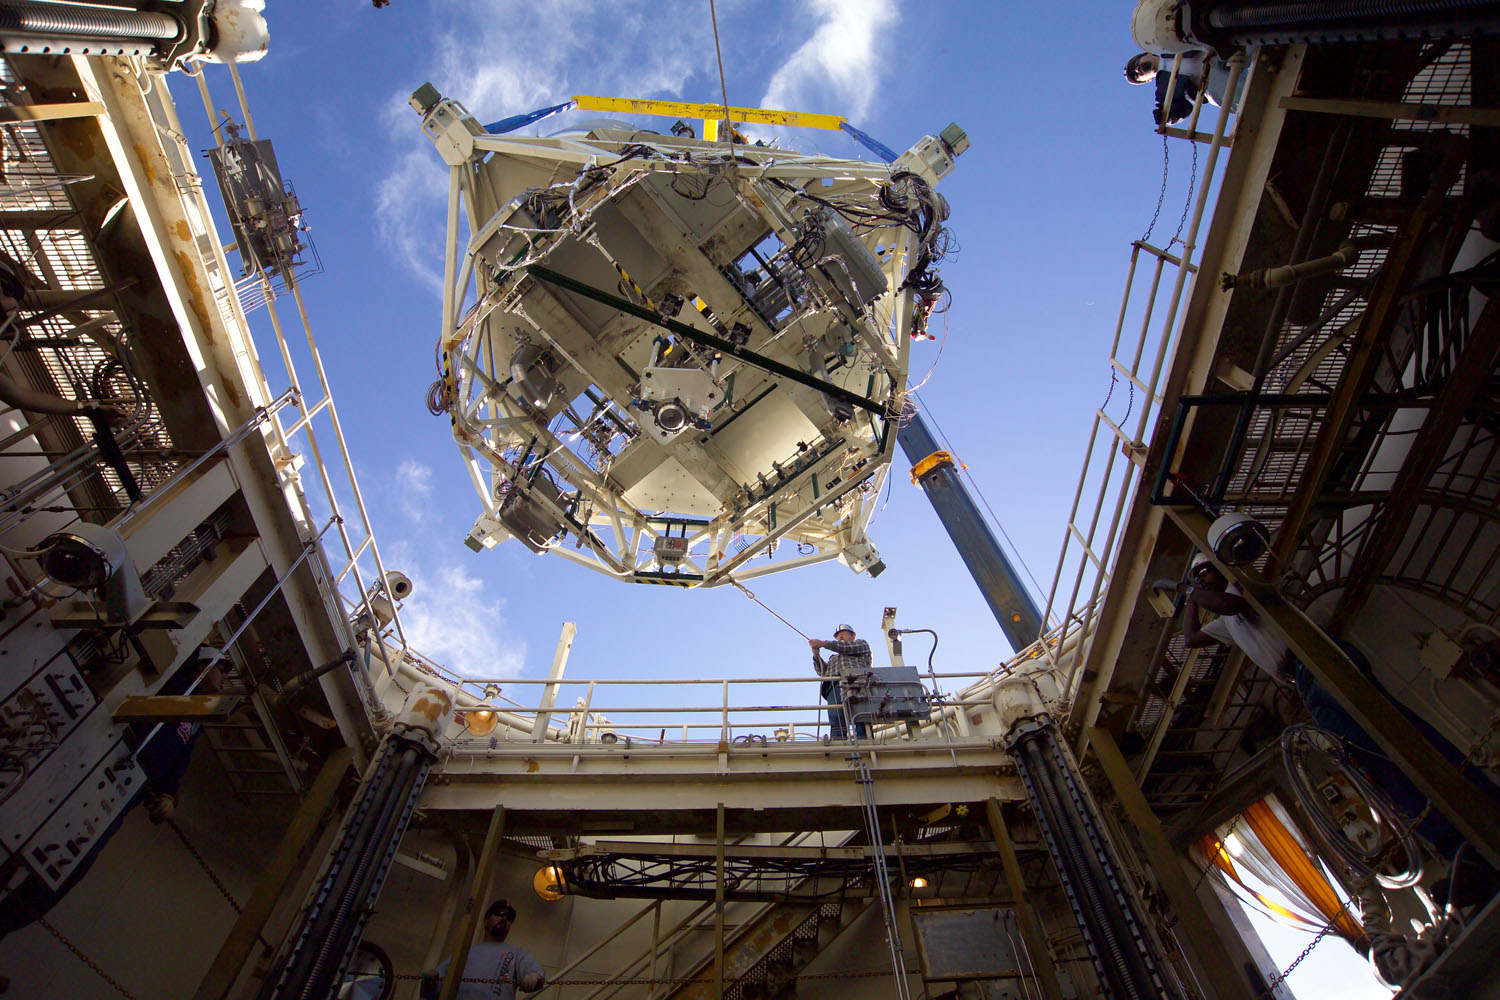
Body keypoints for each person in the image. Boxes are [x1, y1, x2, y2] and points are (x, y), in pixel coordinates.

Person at [1171, 553, 1499, 867]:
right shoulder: (1227, 624)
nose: (1201, 579)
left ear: (1221, 568)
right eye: (1196, 575)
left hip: (1316, 660)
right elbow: (1191, 638)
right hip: (1302, 683)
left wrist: (1188, 589)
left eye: (1205, 571)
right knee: (1376, 760)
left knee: (1398, 733)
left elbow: (1226, 604)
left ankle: (1481, 804)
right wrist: (1188, 597)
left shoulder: (1241, 586)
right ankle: (1452, 844)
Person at [421, 899, 546, 1000]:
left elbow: (536, 973)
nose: (504, 919)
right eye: (498, 914)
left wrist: (534, 978)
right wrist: (429, 983)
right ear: (486, 921)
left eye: (508, 918)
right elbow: (431, 991)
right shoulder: (464, 953)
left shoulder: (517, 953)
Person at [1125, 51, 1243, 125]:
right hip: (1214, 87)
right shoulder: (1165, 90)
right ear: (1147, 80)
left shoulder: (1170, 44)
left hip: (1222, 54)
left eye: (1136, 63)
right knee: (1243, 98)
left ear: (1148, 54)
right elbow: (1179, 110)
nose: (1137, 70)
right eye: (1136, 76)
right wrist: (1167, 116)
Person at [811, 624, 872, 741]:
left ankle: (865, 740)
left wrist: (824, 644)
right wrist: (816, 655)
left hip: (858, 683)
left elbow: (847, 648)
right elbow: (822, 672)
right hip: (835, 686)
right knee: (836, 716)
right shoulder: (834, 658)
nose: (840, 637)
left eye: (843, 634)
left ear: (853, 636)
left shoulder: (861, 644)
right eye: (838, 636)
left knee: (861, 715)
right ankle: (838, 741)